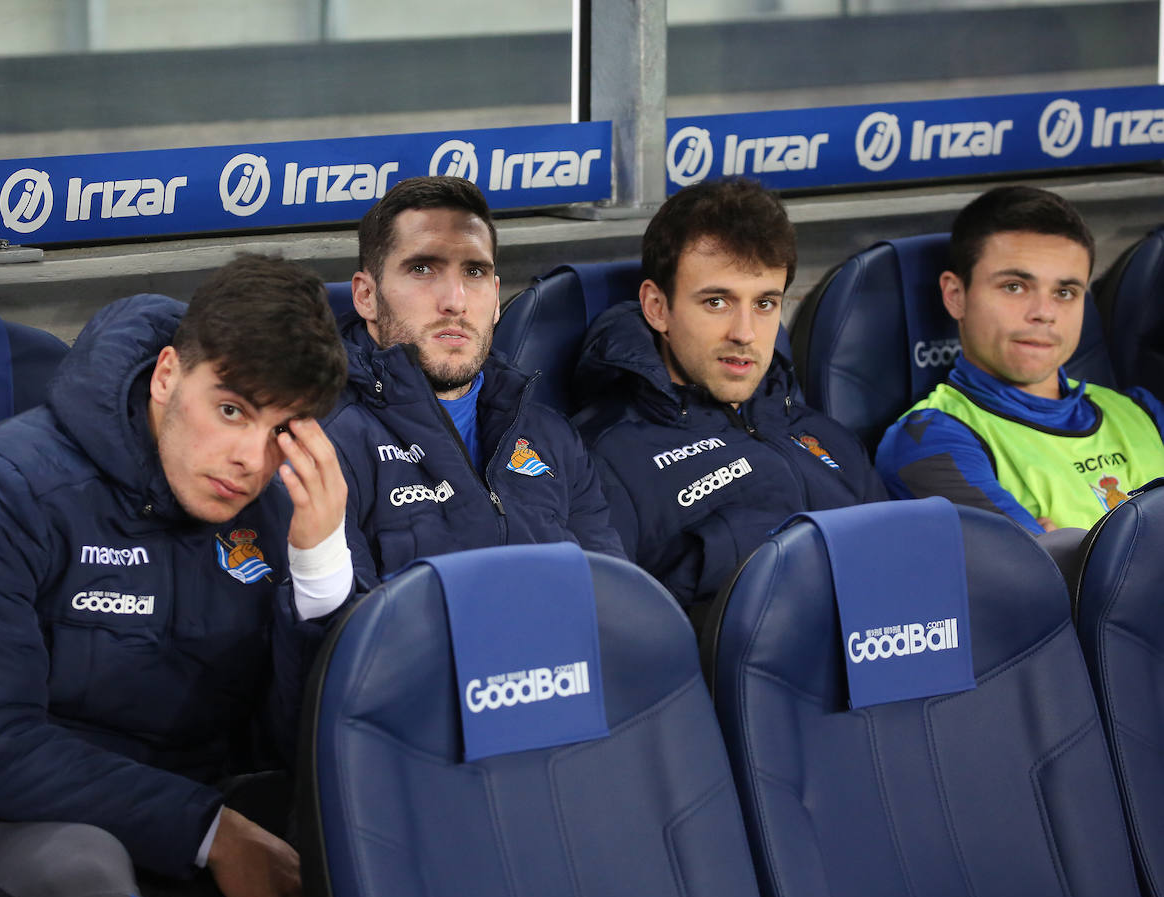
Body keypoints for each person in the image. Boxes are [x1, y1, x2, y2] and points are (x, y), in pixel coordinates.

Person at [0, 254, 353, 897]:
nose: (251, 458)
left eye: (282, 431)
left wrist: (319, 572)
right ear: (168, 375)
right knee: (81, 872)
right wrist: (212, 833)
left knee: (359, 824)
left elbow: (295, 745)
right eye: (233, 410)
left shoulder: (274, 507)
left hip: (193, 814)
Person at [573, 178, 886, 611]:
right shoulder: (600, 462)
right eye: (717, 302)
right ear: (657, 307)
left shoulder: (827, 436)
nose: (745, 334)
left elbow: (903, 578)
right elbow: (617, 643)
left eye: (764, 304)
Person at [323, 175, 624, 586]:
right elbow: (346, 638)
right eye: (423, 268)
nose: (455, 301)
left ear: (496, 298)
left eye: (475, 272)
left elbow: (613, 600)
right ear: (366, 297)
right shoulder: (327, 443)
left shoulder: (550, 434)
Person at [876, 185, 1164, 533]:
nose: (1044, 313)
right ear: (955, 296)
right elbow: (1045, 580)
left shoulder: (1143, 412)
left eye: (1064, 293)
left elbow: (1070, 568)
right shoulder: (927, 442)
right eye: (1014, 286)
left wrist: (1077, 548)